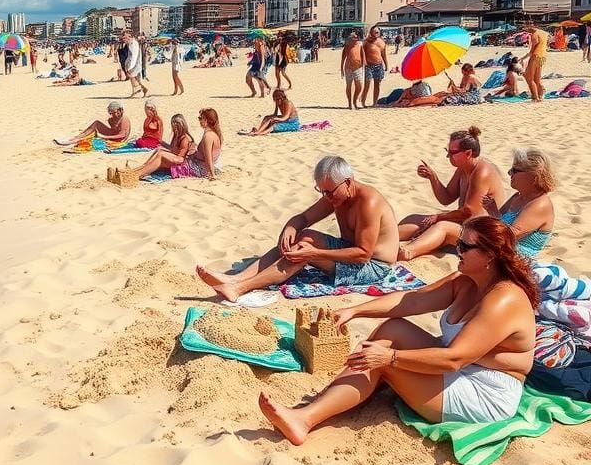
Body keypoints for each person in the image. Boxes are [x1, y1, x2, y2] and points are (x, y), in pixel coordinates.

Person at [259, 216, 538, 443]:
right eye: (459, 243)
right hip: (460, 369)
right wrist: (356, 310)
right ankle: (346, 391)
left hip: (484, 393)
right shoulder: (466, 280)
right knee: (392, 329)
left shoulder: (504, 299)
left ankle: (304, 420)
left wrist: (390, 359)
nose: (457, 250)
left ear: (489, 255)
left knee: (380, 359)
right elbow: (411, 300)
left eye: (465, 247)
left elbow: (454, 358)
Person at [196, 156, 398, 301]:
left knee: (303, 252)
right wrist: (290, 228)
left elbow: (363, 254)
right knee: (302, 237)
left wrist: (315, 253)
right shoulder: (337, 195)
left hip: (374, 266)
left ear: (347, 182)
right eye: (322, 191)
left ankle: (240, 288)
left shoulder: (367, 202)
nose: (326, 197)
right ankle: (235, 278)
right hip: (351, 250)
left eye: (329, 192)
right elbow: (304, 217)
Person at [397, 126, 505, 260]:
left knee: (442, 226)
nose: (448, 156)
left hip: (480, 233)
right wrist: (433, 177)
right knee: (416, 219)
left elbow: (469, 211)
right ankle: (384, 238)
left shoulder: (482, 172)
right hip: (465, 224)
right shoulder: (463, 169)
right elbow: (446, 198)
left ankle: (407, 251)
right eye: (447, 151)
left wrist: (438, 217)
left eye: (452, 152)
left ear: (468, 153)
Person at [111, 108, 222, 186]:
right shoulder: (214, 134)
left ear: (206, 120)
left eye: (200, 118)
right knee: (160, 156)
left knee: (161, 156)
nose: (199, 120)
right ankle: (135, 172)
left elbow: (208, 157)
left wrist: (212, 175)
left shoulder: (208, 136)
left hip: (198, 169)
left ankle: (133, 175)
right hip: (197, 165)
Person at [481, 148, 555, 258]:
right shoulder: (518, 196)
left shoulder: (540, 204)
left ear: (534, 175)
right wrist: (492, 210)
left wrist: (493, 212)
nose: (509, 172)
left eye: (515, 170)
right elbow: (497, 223)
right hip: (498, 250)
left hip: (516, 259)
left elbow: (509, 236)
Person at [108, 113, 194, 185]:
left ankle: (135, 175)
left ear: (182, 125)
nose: (175, 127)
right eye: (173, 124)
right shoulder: (177, 136)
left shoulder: (185, 139)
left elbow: (180, 157)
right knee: (158, 151)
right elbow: (172, 149)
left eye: (177, 125)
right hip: (175, 158)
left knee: (160, 154)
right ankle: (136, 171)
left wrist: (166, 153)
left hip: (180, 163)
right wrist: (162, 143)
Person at [54, 101, 131, 146]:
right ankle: (74, 138)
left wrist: (104, 137)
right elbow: (113, 128)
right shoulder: (112, 119)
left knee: (92, 139)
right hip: (112, 135)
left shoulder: (124, 119)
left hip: (119, 140)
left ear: (120, 110)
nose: (113, 115)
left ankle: (72, 142)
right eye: (111, 113)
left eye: (115, 112)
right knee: (96, 123)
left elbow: (122, 135)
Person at [407, 63, 482, 106]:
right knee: (442, 93)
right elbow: (461, 88)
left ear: (467, 71)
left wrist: (454, 88)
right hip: (464, 94)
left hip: (471, 97)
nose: (463, 74)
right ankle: (423, 100)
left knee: (443, 98)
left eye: (464, 73)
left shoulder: (471, 77)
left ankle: (423, 102)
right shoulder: (465, 77)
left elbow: (464, 91)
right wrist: (453, 85)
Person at [362, 26, 389, 107]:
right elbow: (362, 52)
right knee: (367, 84)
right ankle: (363, 102)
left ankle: (375, 103)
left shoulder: (382, 42)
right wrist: (364, 61)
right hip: (369, 65)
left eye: (377, 32)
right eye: (374, 32)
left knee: (377, 85)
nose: (376, 33)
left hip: (379, 65)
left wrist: (386, 65)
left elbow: (384, 55)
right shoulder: (367, 42)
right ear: (371, 32)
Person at [523, 26, 549, 102]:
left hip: (535, 56)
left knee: (530, 79)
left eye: (527, 28)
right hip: (543, 56)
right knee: (537, 79)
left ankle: (535, 97)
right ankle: (540, 96)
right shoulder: (544, 33)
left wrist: (522, 59)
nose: (527, 30)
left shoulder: (534, 35)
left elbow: (532, 51)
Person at [340, 32, 365, 110]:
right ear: (350, 39)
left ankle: (354, 101)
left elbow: (363, 57)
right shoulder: (347, 46)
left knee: (359, 86)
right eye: (352, 38)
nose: (354, 39)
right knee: (349, 86)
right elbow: (343, 58)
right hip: (348, 68)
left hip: (358, 68)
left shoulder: (360, 46)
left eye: (355, 38)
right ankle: (350, 103)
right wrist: (341, 69)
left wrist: (364, 67)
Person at [124, 33, 148, 97]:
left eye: (125, 37)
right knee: (135, 79)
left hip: (135, 64)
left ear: (129, 37)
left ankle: (139, 90)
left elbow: (134, 56)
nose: (124, 39)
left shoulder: (134, 43)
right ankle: (139, 90)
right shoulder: (131, 43)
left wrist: (130, 67)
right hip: (132, 64)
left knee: (134, 78)